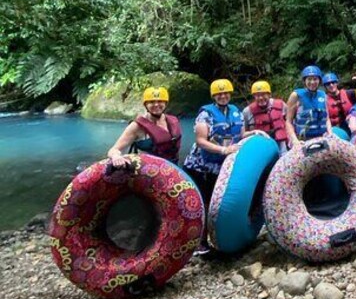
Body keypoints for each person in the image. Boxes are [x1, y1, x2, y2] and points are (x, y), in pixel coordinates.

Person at [183, 79, 244, 255]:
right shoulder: (205, 115)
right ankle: (199, 243)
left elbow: (240, 135)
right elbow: (200, 141)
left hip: (219, 166)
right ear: (214, 96)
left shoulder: (235, 112)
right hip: (200, 167)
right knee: (202, 203)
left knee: (215, 203)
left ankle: (214, 238)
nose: (223, 96)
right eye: (219, 93)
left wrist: (254, 132)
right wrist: (224, 149)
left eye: (225, 93)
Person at [107, 87, 182, 167]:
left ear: (165, 103)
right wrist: (116, 156)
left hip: (173, 168)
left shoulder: (173, 120)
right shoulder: (136, 126)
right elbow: (113, 150)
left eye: (160, 101)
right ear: (145, 105)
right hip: (150, 171)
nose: (156, 105)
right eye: (151, 102)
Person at [285, 65, 331, 148]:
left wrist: (330, 133)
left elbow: (327, 118)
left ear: (319, 81)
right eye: (309, 79)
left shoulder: (323, 95)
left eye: (315, 79)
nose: (312, 82)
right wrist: (295, 140)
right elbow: (288, 121)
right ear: (304, 81)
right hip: (302, 140)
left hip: (321, 137)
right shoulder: (296, 95)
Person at [242, 80, 287, 151]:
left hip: (281, 145)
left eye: (263, 94)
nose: (261, 98)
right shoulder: (247, 111)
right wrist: (254, 132)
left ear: (269, 94)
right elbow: (243, 134)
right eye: (257, 95)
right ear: (254, 96)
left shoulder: (282, 105)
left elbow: (290, 124)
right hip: (259, 147)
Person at [324, 69, 356, 135]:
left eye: (333, 82)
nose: (331, 85)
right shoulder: (324, 100)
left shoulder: (348, 93)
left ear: (337, 83)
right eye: (328, 84)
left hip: (354, 126)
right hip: (337, 130)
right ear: (325, 86)